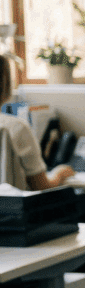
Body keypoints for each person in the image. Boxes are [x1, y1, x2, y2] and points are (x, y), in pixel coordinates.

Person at [0, 55, 74, 189]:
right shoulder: (15, 127)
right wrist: (59, 173)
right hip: (11, 209)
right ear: (6, 87)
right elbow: (41, 186)